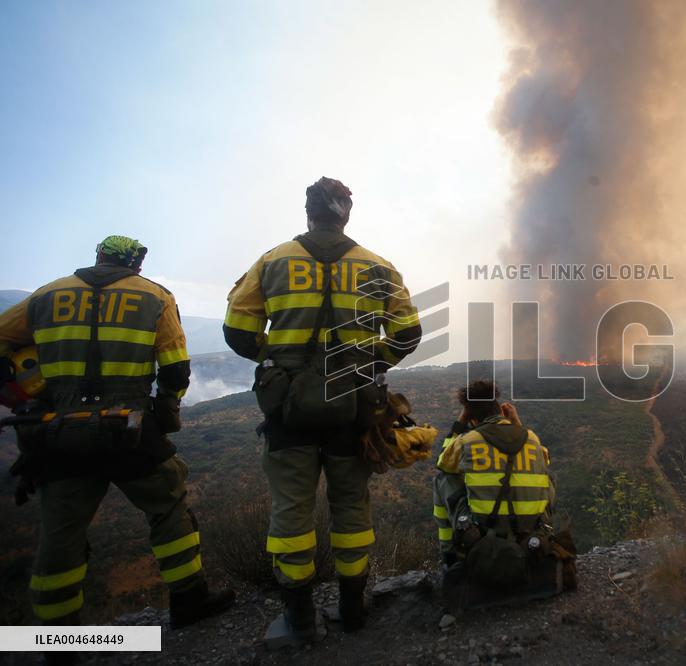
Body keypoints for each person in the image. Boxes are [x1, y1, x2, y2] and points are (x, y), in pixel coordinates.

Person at [0, 236, 235, 637]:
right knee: (168, 507)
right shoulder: (154, 297)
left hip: (57, 432)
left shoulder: (46, 295)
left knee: (61, 534)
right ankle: (189, 599)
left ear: (99, 256)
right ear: (138, 263)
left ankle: (57, 641)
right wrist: (167, 409)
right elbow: (175, 369)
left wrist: (23, 395)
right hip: (130, 429)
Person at [224, 177, 421, 639]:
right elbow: (408, 334)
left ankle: (298, 619)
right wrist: (370, 365)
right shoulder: (378, 266)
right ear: (345, 215)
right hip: (354, 409)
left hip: (288, 410)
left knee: (291, 509)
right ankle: (353, 611)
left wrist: (276, 362)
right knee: (351, 504)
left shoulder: (273, 261)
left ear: (309, 211)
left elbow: (236, 331)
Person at [432, 380, 576, 599]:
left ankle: (449, 556)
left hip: (483, 538)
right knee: (548, 476)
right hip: (530, 539)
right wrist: (517, 423)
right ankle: (544, 531)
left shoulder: (466, 440)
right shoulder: (531, 438)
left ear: (472, 417)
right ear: (500, 410)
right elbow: (542, 459)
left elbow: (443, 463)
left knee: (443, 478)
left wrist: (460, 423)